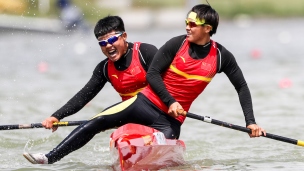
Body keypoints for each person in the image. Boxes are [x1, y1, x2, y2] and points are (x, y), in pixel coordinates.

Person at [23, 4, 266, 164]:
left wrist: (251, 122)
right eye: (187, 22)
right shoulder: (175, 44)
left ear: (207, 28)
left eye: (192, 24)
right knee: (95, 122)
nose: (187, 27)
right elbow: (152, 76)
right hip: (144, 105)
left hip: (171, 120)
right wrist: (56, 115)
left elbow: (242, 87)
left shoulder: (222, 57)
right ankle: (49, 158)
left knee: (168, 158)